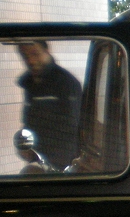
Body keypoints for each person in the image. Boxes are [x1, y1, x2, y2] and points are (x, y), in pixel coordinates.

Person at [15, 41, 82, 170]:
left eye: (35, 54)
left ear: (47, 50)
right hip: (38, 161)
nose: (31, 61)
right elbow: (28, 123)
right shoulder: (29, 84)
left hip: (62, 165)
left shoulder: (67, 83)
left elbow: (72, 128)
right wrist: (25, 145)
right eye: (25, 56)